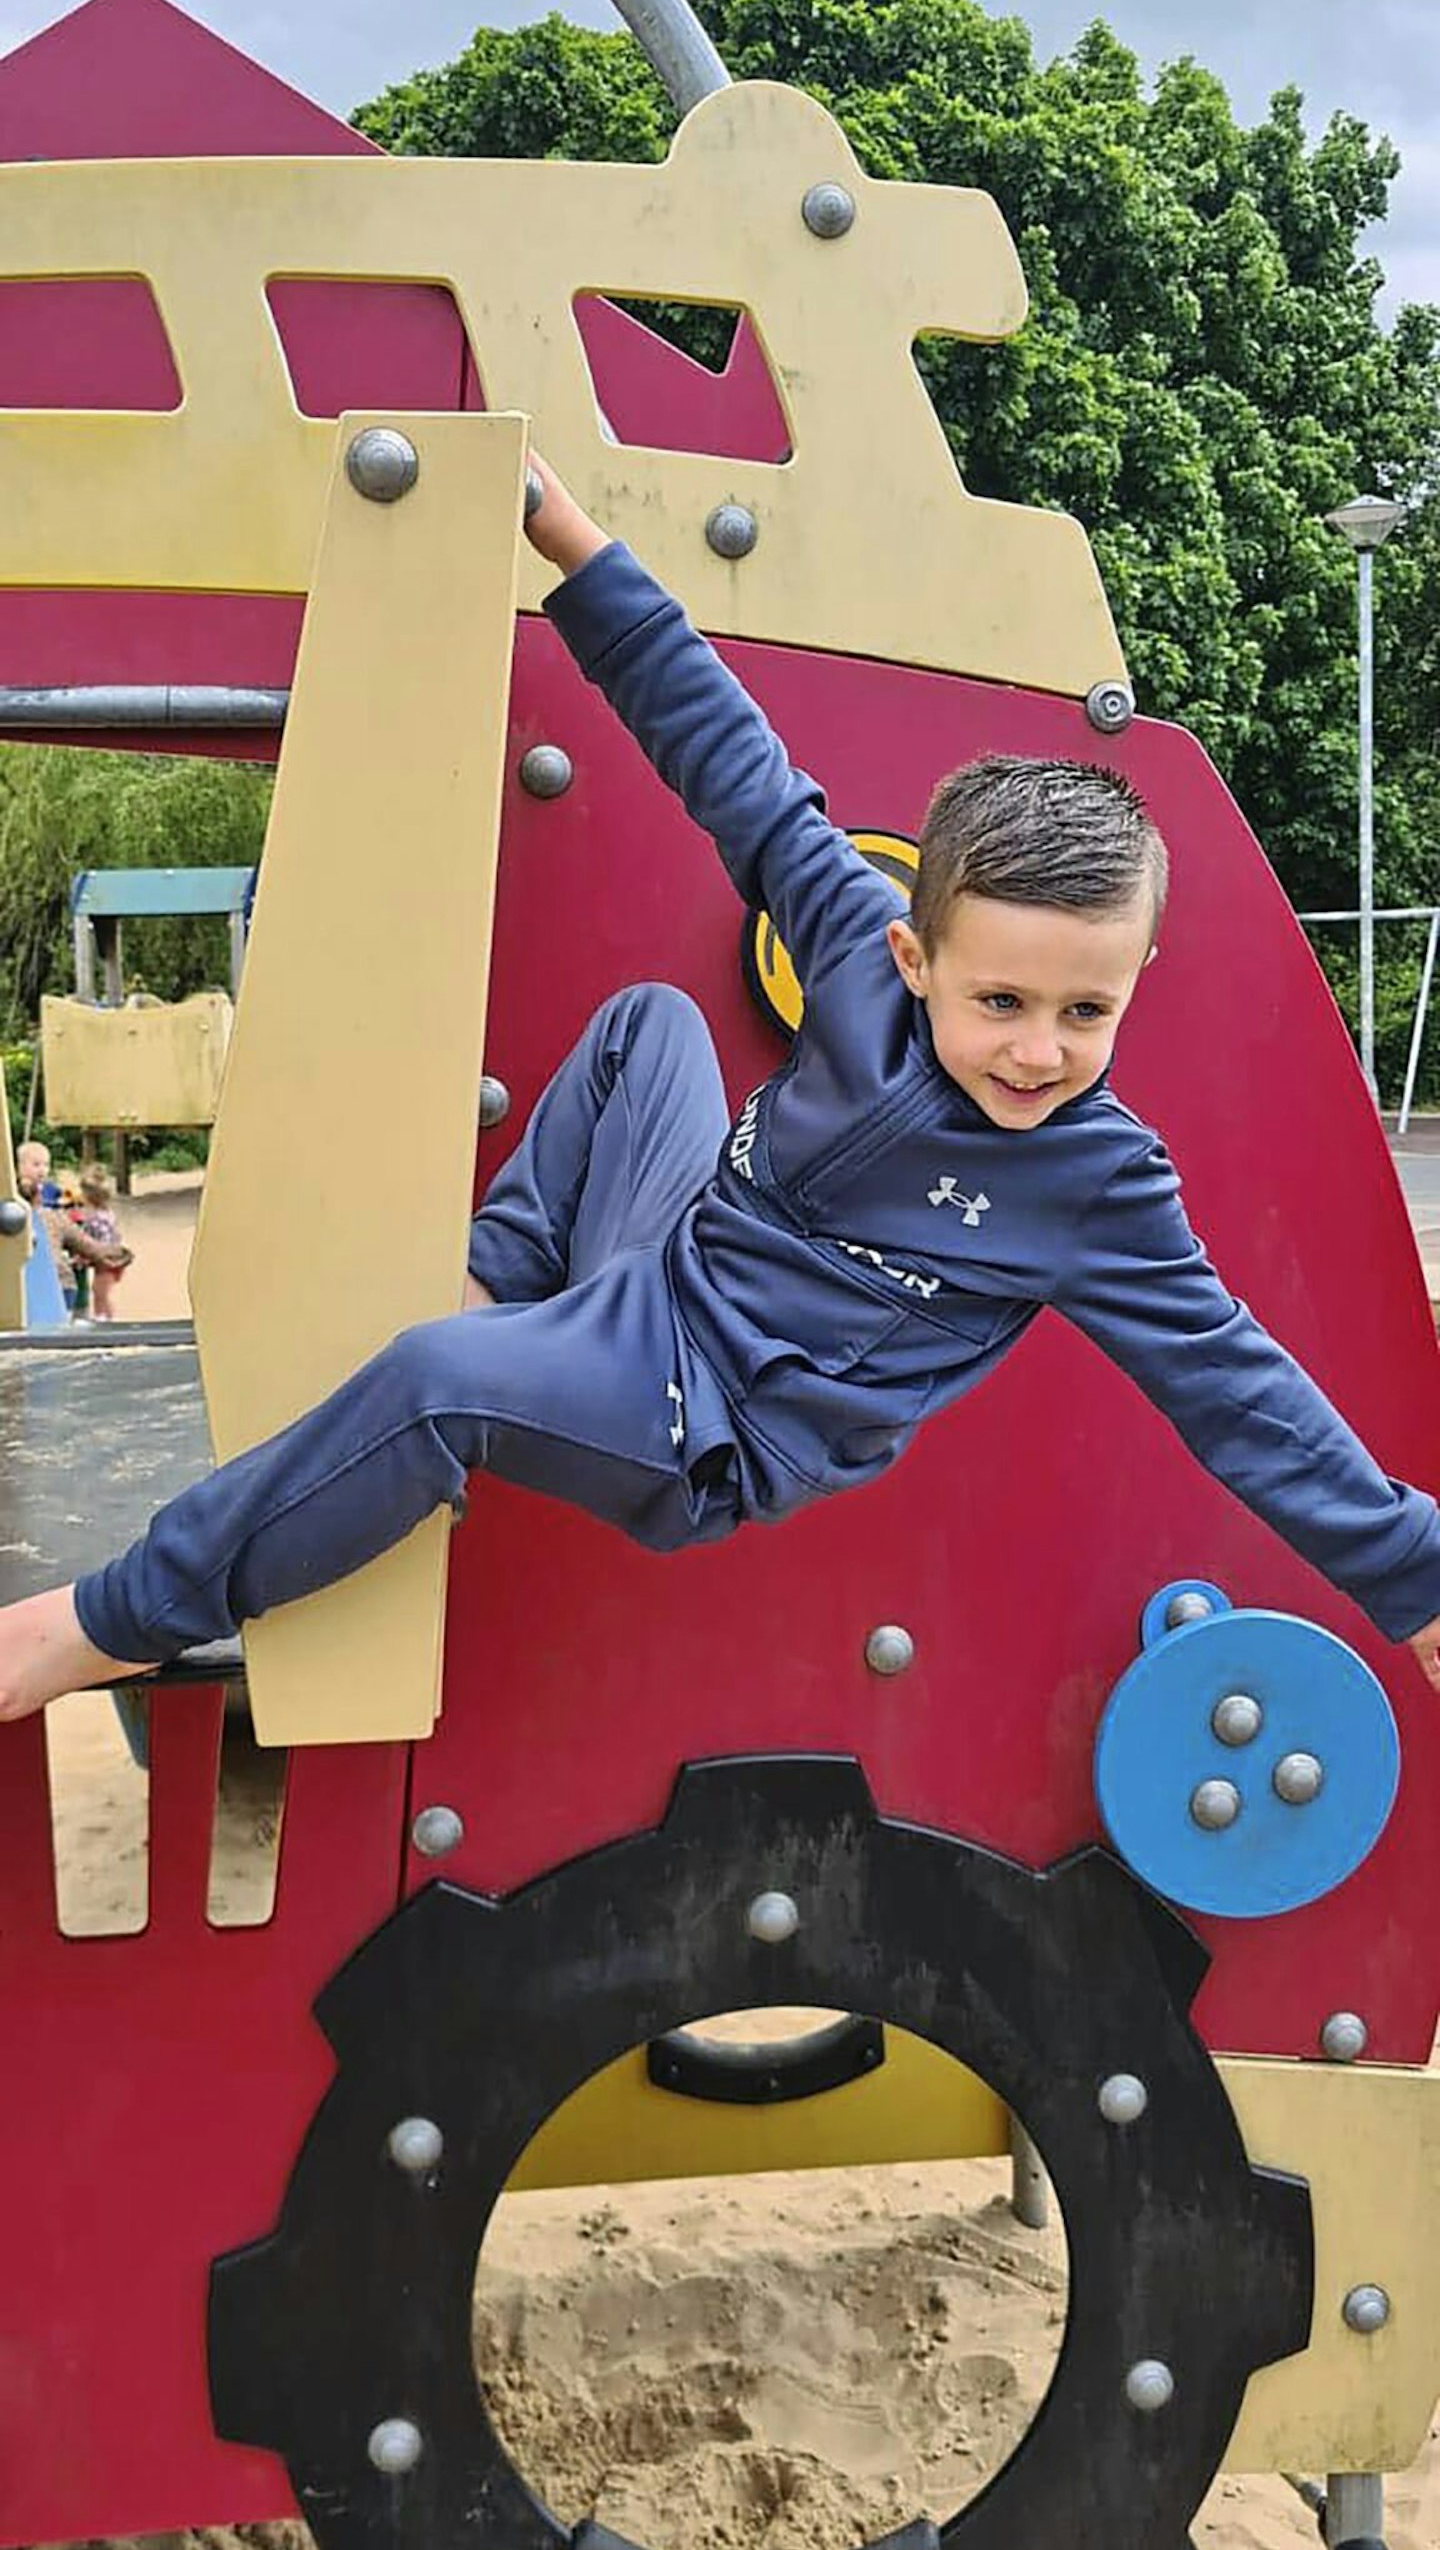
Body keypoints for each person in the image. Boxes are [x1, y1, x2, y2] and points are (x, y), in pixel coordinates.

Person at [1, 456, 1437, 1723]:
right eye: (1000, 1000)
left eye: (1085, 1013)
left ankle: (113, 1623)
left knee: (433, 1386)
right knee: (650, 1026)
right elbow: (738, 770)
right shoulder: (859, 968)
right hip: (661, 1276)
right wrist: (571, 541)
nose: (1037, 1051)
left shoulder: (1098, 1185)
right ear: (911, 956)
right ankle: (506, 1308)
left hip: (713, 1427)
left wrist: (1416, 1584)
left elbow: (1242, 1397)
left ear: (1134, 987)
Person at [15, 1139, 130, 1320]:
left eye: (45, 1165)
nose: (42, 1170)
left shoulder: (56, 1215)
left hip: (52, 1284)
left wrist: (115, 1252)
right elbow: (88, 1245)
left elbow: (87, 1244)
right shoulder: (47, 1217)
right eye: (36, 1164)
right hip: (41, 1284)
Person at [73, 1161, 133, 1320]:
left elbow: (99, 1242)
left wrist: (85, 1255)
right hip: (109, 1257)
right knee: (99, 1291)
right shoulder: (103, 1213)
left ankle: (105, 1318)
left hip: (109, 1260)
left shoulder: (97, 1218)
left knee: (100, 1292)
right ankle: (102, 1316)